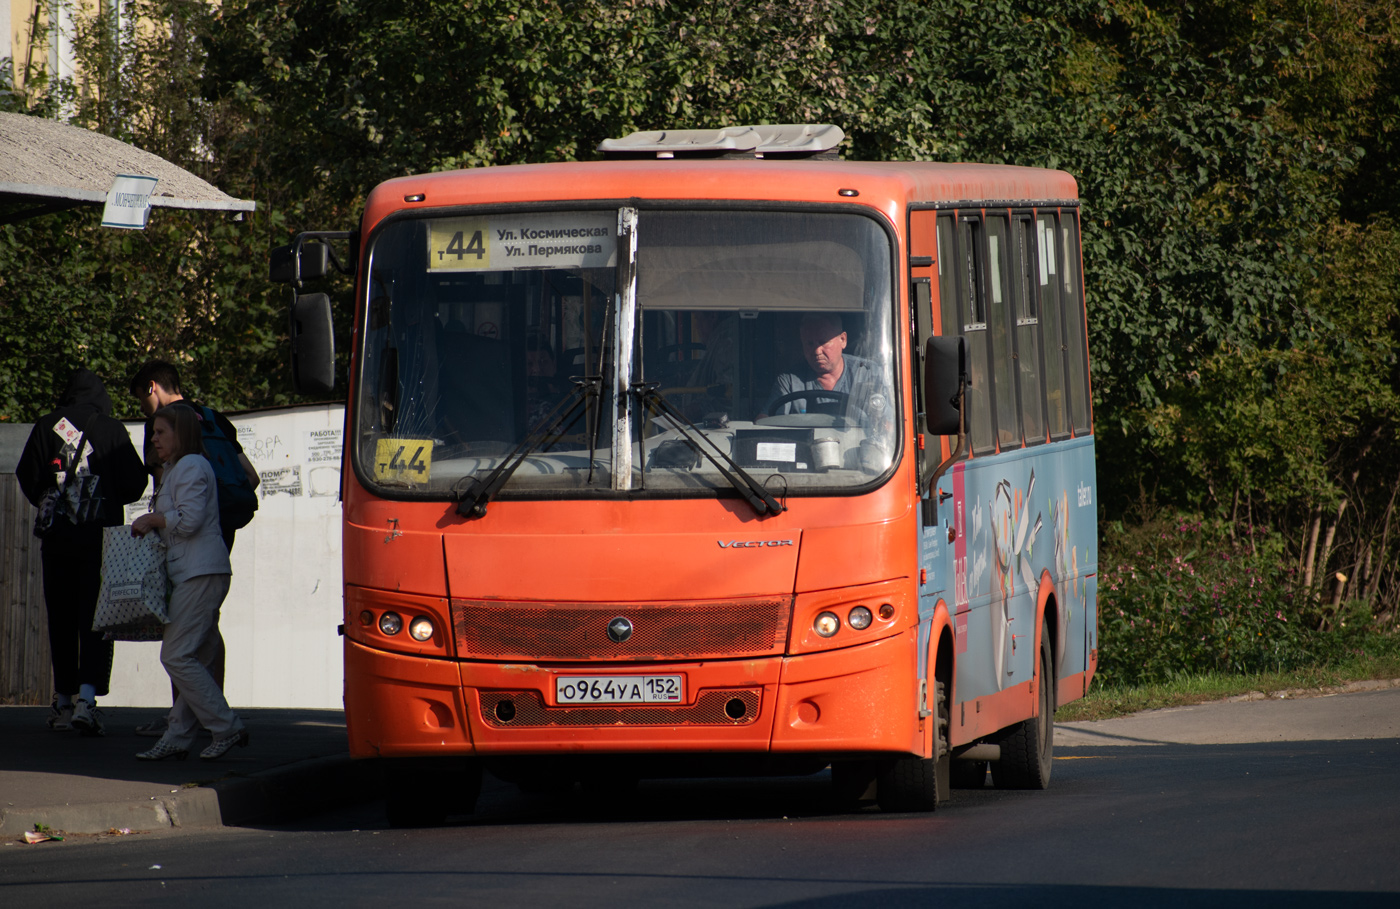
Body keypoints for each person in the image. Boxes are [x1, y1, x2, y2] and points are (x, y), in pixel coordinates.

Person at [128, 360, 259, 738]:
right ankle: (201, 710)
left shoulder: (166, 430)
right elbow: (250, 476)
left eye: (141, 401)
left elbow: (165, 499)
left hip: (184, 542)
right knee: (206, 626)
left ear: (152, 387)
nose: (147, 419)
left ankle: (195, 715)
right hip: (219, 535)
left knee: (182, 633)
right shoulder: (214, 418)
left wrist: (162, 520)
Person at [16, 368, 148, 736]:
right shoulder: (111, 429)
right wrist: (105, 500)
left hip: (57, 540)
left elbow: (26, 474)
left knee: (60, 616)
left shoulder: (46, 426)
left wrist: (50, 500)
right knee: (96, 620)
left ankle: (62, 700)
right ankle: (87, 702)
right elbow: (136, 483)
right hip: (99, 542)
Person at [761, 313, 891, 432]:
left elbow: (892, 426)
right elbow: (764, 421)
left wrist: (878, 420)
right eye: (809, 343)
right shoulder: (790, 381)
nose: (817, 351)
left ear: (843, 340)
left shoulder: (868, 373)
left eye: (823, 342)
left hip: (857, 454)